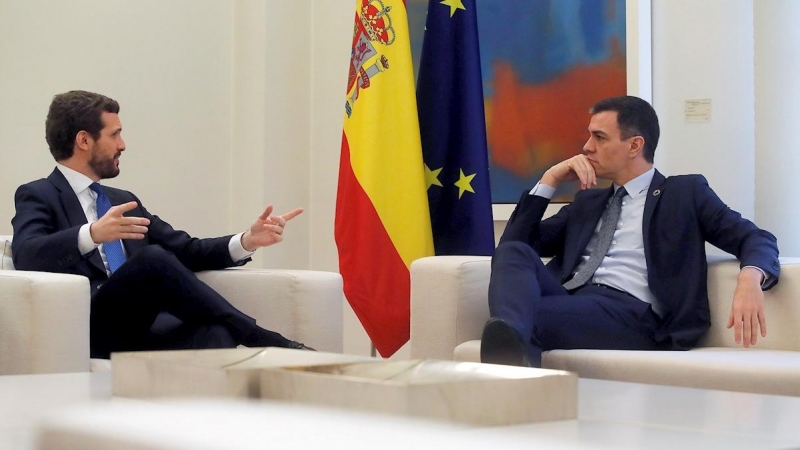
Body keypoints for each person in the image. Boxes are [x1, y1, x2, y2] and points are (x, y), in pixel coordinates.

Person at [481, 95, 780, 367]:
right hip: (571, 301)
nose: (586, 147)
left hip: (633, 315)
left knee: (517, 322)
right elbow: (516, 246)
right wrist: (549, 179)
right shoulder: (589, 201)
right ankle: (516, 365)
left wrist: (749, 277)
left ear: (635, 145)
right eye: (589, 136)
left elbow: (755, 237)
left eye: (599, 137)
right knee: (513, 253)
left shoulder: (684, 193)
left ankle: (510, 374)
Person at [12, 90, 313, 359]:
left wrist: (247, 240)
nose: (123, 145)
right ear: (84, 140)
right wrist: (90, 234)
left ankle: (205, 419)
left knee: (215, 333)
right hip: (90, 328)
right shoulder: (39, 194)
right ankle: (263, 338)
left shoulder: (122, 200)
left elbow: (186, 250)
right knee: (150, 259)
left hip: (142, 328)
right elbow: (27, 254)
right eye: (115, 134)